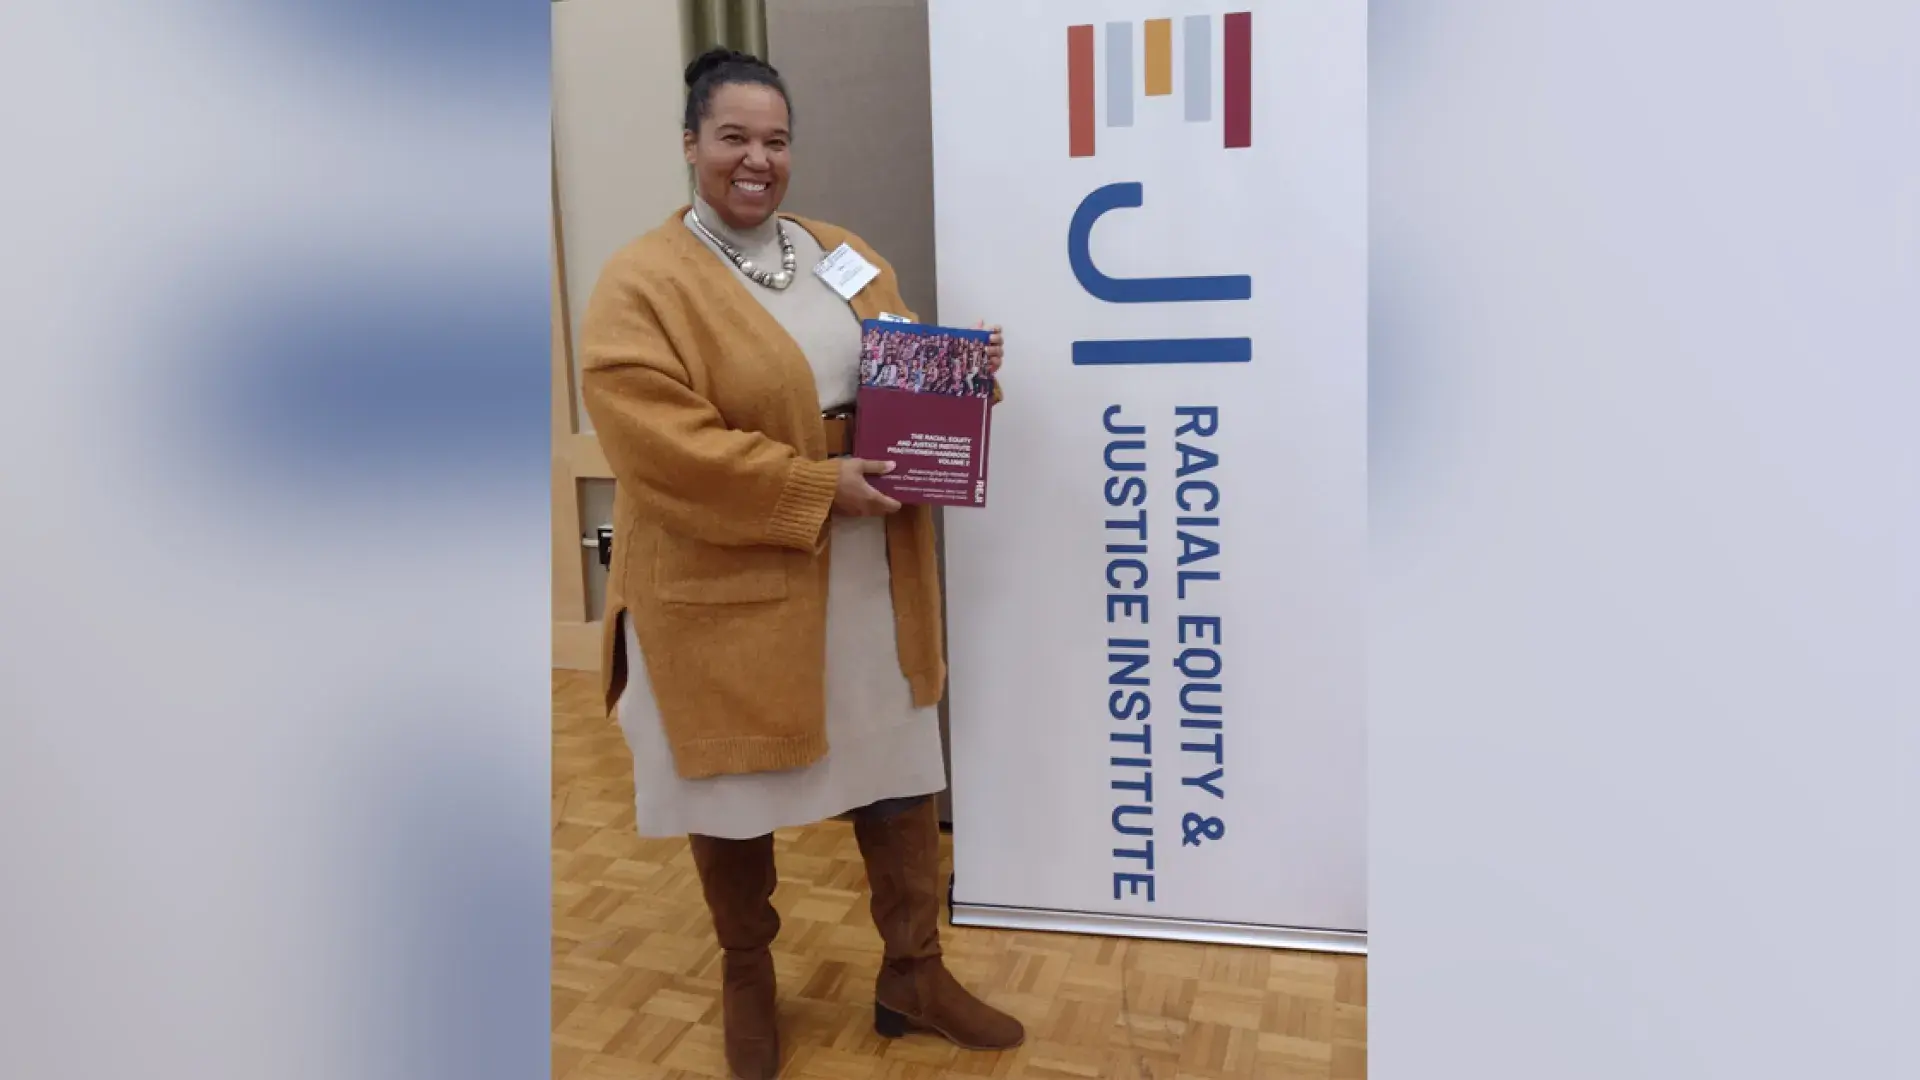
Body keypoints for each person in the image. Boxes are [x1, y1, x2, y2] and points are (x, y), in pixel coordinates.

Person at [577, 48, 1020, 1080]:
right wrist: (818, 487)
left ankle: (914, 972)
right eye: (732, 136)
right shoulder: (640, 282)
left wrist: (962, 384)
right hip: (732, 584)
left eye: (775, 140)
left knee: (897, 771)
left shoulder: (840, 251)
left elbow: (899, 359)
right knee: (733, 784)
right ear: (690, 144)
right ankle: (746, 974)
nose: (756, 159)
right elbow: (659, 446)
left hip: (870, 572)